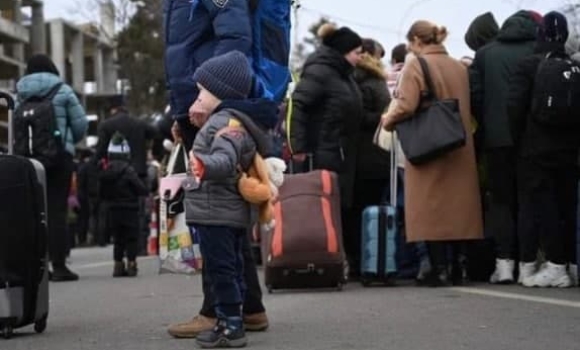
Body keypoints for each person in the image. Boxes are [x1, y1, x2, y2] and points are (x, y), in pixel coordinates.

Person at [164, 0, 272, 337]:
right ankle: (250, 307)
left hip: (211, 102)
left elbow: (234, 43)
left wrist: (209, 100)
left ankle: (216, 312)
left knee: (216, 214)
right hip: (201, 101)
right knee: (225, 209)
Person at [382, 20, 483, 286]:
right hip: (458, 142)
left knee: (432, 208)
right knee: (459, 207)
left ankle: (439, 270)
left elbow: (406, 104)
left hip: (429, 145)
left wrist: (388, 121)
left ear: (416, 40)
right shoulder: (458, 66)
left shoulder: (416, 64)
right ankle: (459, 267)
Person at [185, 51, 271, 349]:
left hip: (217, 212)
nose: (196, 98)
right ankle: (231, 319)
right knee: (231, 267)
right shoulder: (226, 121)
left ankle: (231, 325)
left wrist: (204, 166)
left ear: (219, 93)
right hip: (222, 210)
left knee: (222, 270)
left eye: (201, 92)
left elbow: (225, 157)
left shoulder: (227, 124)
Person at [507, 11, 580, 287]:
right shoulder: (572, 66)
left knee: (544, 207)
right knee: (567, 205)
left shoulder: (529, 65)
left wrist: (518, 140)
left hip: (535, 148)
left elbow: (514, 108)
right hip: (569, 149)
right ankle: (572, 264)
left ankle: (555, 265)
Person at [469, 10, 540, 284]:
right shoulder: (537, 50)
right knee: (528, 201)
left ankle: (504, 264)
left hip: (496, 140)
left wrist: (487, 122)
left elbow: (475, 94)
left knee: (501, 203)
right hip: (531, 140)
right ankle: (528, 264)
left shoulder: (485, 53)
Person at [289, 24, 363, 272]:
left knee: (342, 207)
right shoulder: (321, 72)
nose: (360, 56)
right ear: (343, 51)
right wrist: (297, 146)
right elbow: (298, 105)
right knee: (327, 207)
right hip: (325, 150)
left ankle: (342, 258)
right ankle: (324, 258)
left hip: (343, 150)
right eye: (357, 51)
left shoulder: (345, 75)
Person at [16, 54, 88, 282]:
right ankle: (59, 266)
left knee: (32, 211)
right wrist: (66, 141)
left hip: (28, 160)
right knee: (57, 211)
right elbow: (80, 125)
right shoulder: (63, 90)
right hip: (59, 159)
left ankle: (36, 266)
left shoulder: (20, 93)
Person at [349, 38, 391, 277]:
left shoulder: (354, 78)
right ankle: (370, 261)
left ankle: (364, 260)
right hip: (372, 155)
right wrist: (384, 118)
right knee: (367, 207)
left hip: (362, 156)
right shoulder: (369, 80)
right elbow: (364, 115)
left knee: (359, 209)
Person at [99, 133, 148, 277]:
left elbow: (101, 192)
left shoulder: (105, 172)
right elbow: (141, 189)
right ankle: (132, 264)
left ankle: (118, 266)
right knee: (131, 238)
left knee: (118, 239)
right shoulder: (129, 171)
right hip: (130, 209)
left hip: (113, 210)